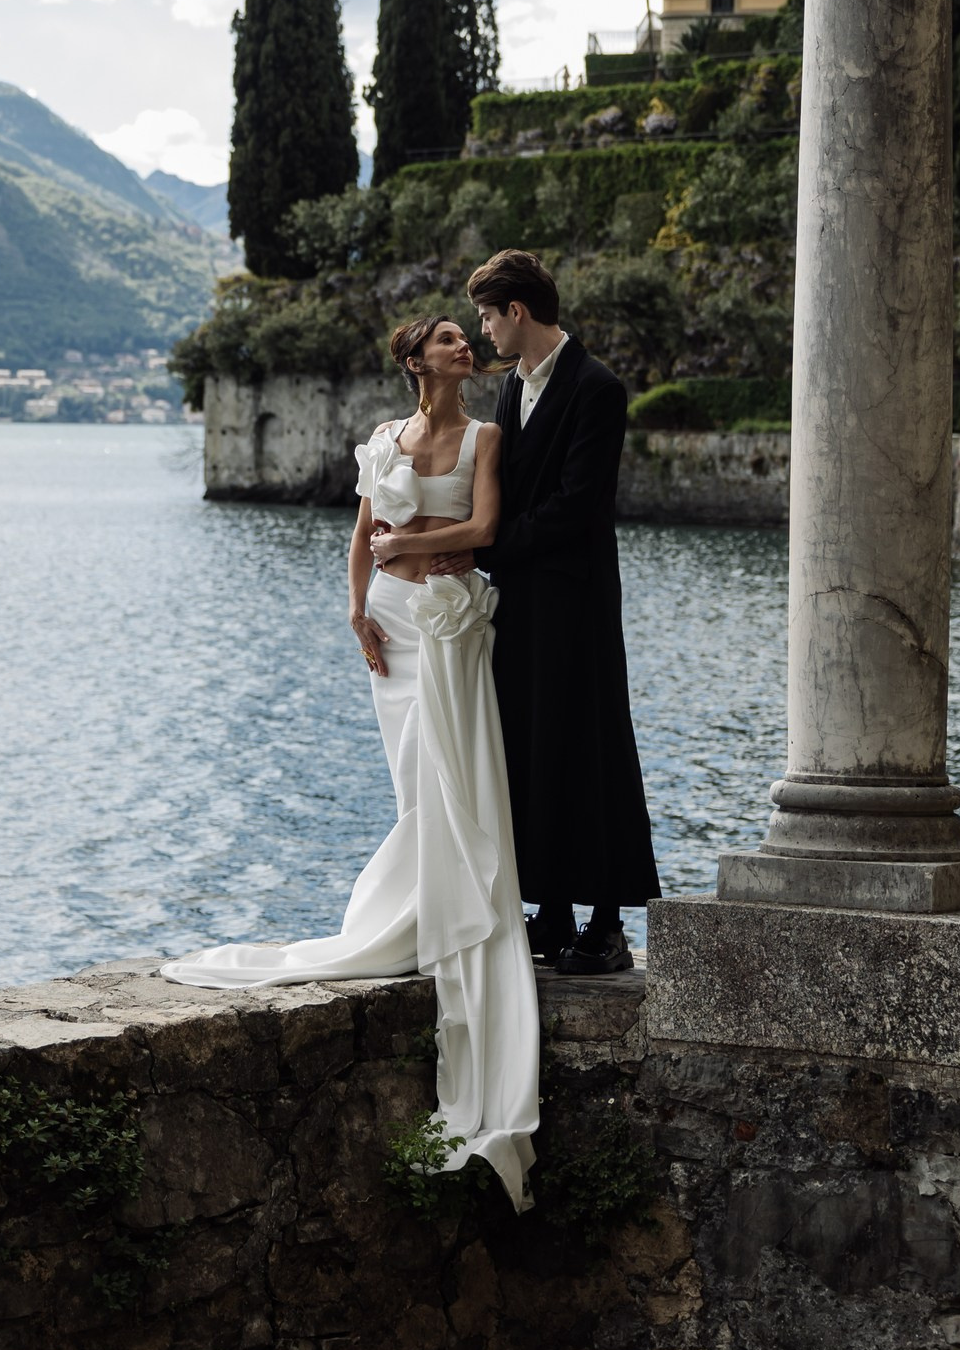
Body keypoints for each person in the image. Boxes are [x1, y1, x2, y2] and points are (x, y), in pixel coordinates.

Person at [163, 316, 539, 1209]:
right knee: (413, 781)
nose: (463, 345)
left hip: (450, 622)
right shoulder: (382, 439)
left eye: (466, 335)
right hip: (396, 635)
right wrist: (356, 610)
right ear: (417, 360)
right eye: (449, 338)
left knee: (453, 781)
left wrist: (407, 551)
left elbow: (484, 526)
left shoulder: (485, 434)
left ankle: (440, 920)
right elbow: (361, 527)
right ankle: (416, 910)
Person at [451, 246, 659, 971]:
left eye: (487, 315)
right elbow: (505, 486)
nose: (483, 331)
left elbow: (578, 505)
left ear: (518, 310)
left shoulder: (598, 388)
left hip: (576, 598)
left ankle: (607, 927)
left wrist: (489, 549)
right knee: (533, 744)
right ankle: (554, 912)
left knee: (591, 744)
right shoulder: (510, 388)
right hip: (522, 600)